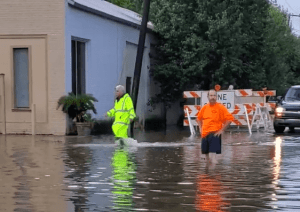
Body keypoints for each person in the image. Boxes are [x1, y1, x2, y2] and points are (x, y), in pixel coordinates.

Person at [196, 89, 234, 162]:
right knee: (206, 158)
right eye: (211, 95)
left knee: (212, 157)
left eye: (214, 95)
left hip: (215, 134)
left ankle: (214, 173)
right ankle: (208, 173)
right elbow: (198, 119)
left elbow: (230, 119)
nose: (213, 97)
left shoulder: (220, 107)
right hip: (204, 134)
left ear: (216, 97)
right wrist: (200, 129)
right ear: (208, 97)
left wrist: (222, 130)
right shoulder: (205, 107)